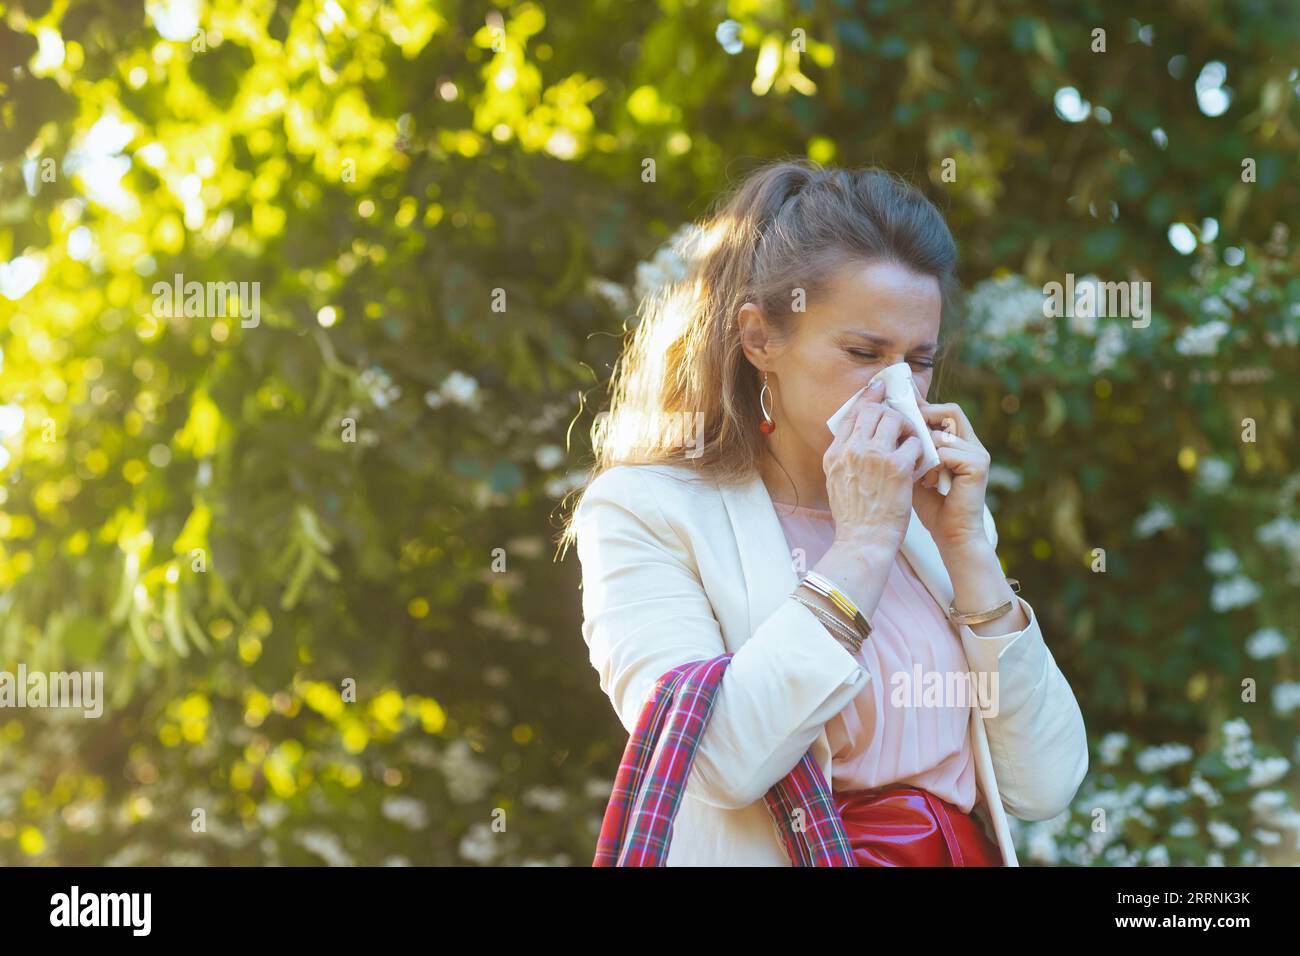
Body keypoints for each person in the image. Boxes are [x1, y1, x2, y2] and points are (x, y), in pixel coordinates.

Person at [560, 159, 1088, 866]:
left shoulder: (938, 529)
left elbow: (1045, 783)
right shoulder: (645, 511)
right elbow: (718, 760)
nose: (898, 386)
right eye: (863, 352)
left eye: (920, 360)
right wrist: (864, 542)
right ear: (760, 339)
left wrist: (967, 546)